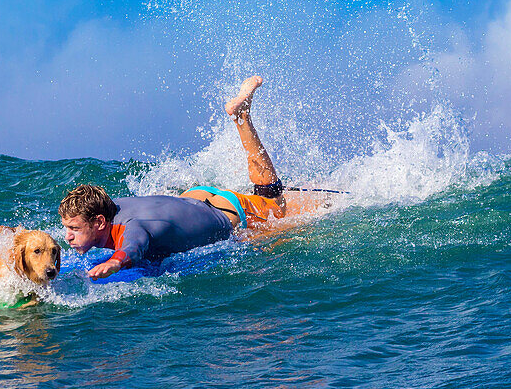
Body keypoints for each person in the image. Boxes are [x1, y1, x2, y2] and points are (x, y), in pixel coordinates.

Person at [59, 76, 329, 280]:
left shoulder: (130, 227)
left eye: (74, 228)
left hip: (229, 211)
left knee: (274, 203)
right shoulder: (108, 204)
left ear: (99, 222)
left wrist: (115, 263)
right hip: (195, 198)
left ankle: (243, 117)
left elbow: (134, 244)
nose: (68, 236)